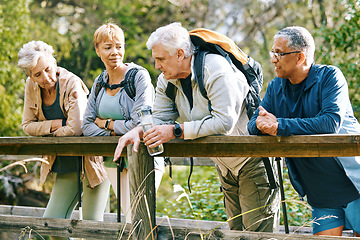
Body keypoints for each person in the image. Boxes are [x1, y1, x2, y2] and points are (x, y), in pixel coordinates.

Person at [114, 22, 279, 232]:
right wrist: (137, 130)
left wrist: (176, 130)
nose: (157, 66)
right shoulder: (167, 80)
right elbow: (160, 117)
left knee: (258, 235)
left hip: (252, 160)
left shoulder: (216, 69)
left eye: (161, 59)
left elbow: (224, 122)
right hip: (226, 166)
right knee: (237, 233)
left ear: (180, 54)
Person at [247, 26, 360, 237]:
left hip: (355, 185)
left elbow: (330, 122)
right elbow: (254, 124)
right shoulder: (275, 87)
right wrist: (264, 125)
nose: (273, 59)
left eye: (279, 53)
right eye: (273, 52)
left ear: (299, 57)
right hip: (321, 194)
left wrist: (279, 125)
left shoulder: (330, 77)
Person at [18, 40, 110, 240]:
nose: (46, 78)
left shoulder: (71, 83)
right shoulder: (31, 86)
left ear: (54, 62)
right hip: (64, 163)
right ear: (29, 75)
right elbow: (27, 126)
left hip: (90, 163)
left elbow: (76, 129)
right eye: (37, 74)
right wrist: (57, 124)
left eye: (48, 70)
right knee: (51, 225)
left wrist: (46, 130)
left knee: (92, 231)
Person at [81, 23, 164, 223]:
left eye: (119, 46)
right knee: (131, 218)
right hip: (114, 159)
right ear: (97, 50)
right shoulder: (100, 82)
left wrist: (107, 124)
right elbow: (87, 126)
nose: (114, 52)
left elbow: (141, 123)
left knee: (139, 218)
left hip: (142, 156)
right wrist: (117, 132)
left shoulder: (139, 77)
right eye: (108, 47)